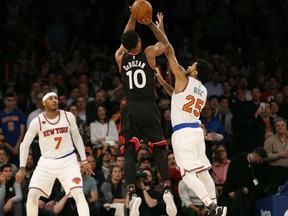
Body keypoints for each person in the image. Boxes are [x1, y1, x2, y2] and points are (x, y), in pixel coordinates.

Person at [155, 12, 227, 216]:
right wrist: (163, 84)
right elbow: (178, 95)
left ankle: (211, 206)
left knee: (187, 175)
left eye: (192, 65)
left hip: (183, 134)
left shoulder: (182, 77)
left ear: (195, 73)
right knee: (203, 171)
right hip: (196, 132)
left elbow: (168, 50)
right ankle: (216, 204)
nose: (188, 66)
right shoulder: (202, 90)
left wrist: (160, 28)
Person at [115, 6, 177, 216]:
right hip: (148, 107)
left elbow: (126, 38)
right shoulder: (149, 53)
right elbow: (166, 44)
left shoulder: (120, 56)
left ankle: (132, 194)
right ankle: (167, 189)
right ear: (139, 43)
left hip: (129, 107)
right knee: (159, 150)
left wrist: (132, 15)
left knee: (129, 152)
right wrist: (150, 23)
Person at [15, 92, 94, 216]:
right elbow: (24, 144)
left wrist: (84, 161)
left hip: (68, 160)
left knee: (78, 193)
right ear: (44, 103)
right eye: (50, 98)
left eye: (56, 98)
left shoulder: (68, 116)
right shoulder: (37, 121)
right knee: (32, 195)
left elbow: (77, 138)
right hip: (47, 161)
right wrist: (22, 168)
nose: (54, 100)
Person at [221, 147, 268, 216]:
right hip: (232, 191)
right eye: (260, 160)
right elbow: (230, 175)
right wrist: (230, 190)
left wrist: (249, 189)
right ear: (256, 156)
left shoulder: (258, 166)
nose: (261, 162)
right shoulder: (238, 158)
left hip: (245, 196)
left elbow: (257, 181)